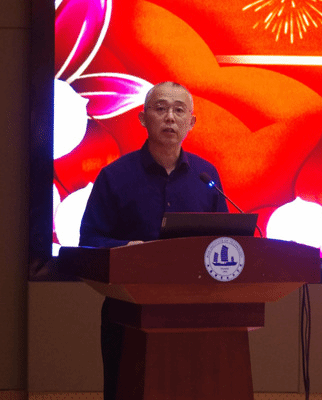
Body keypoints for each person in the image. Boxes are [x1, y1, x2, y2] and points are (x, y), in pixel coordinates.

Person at [78, 81, 228, 399]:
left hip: (194, 312)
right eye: (160, 108)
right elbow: (89, 240)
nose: (170, 117)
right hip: (128, 311)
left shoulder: (206, 177)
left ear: (191, 121)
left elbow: (226, 242)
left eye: (179, 110)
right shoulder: (114, 176)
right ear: (143, 118)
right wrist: (126, 250)